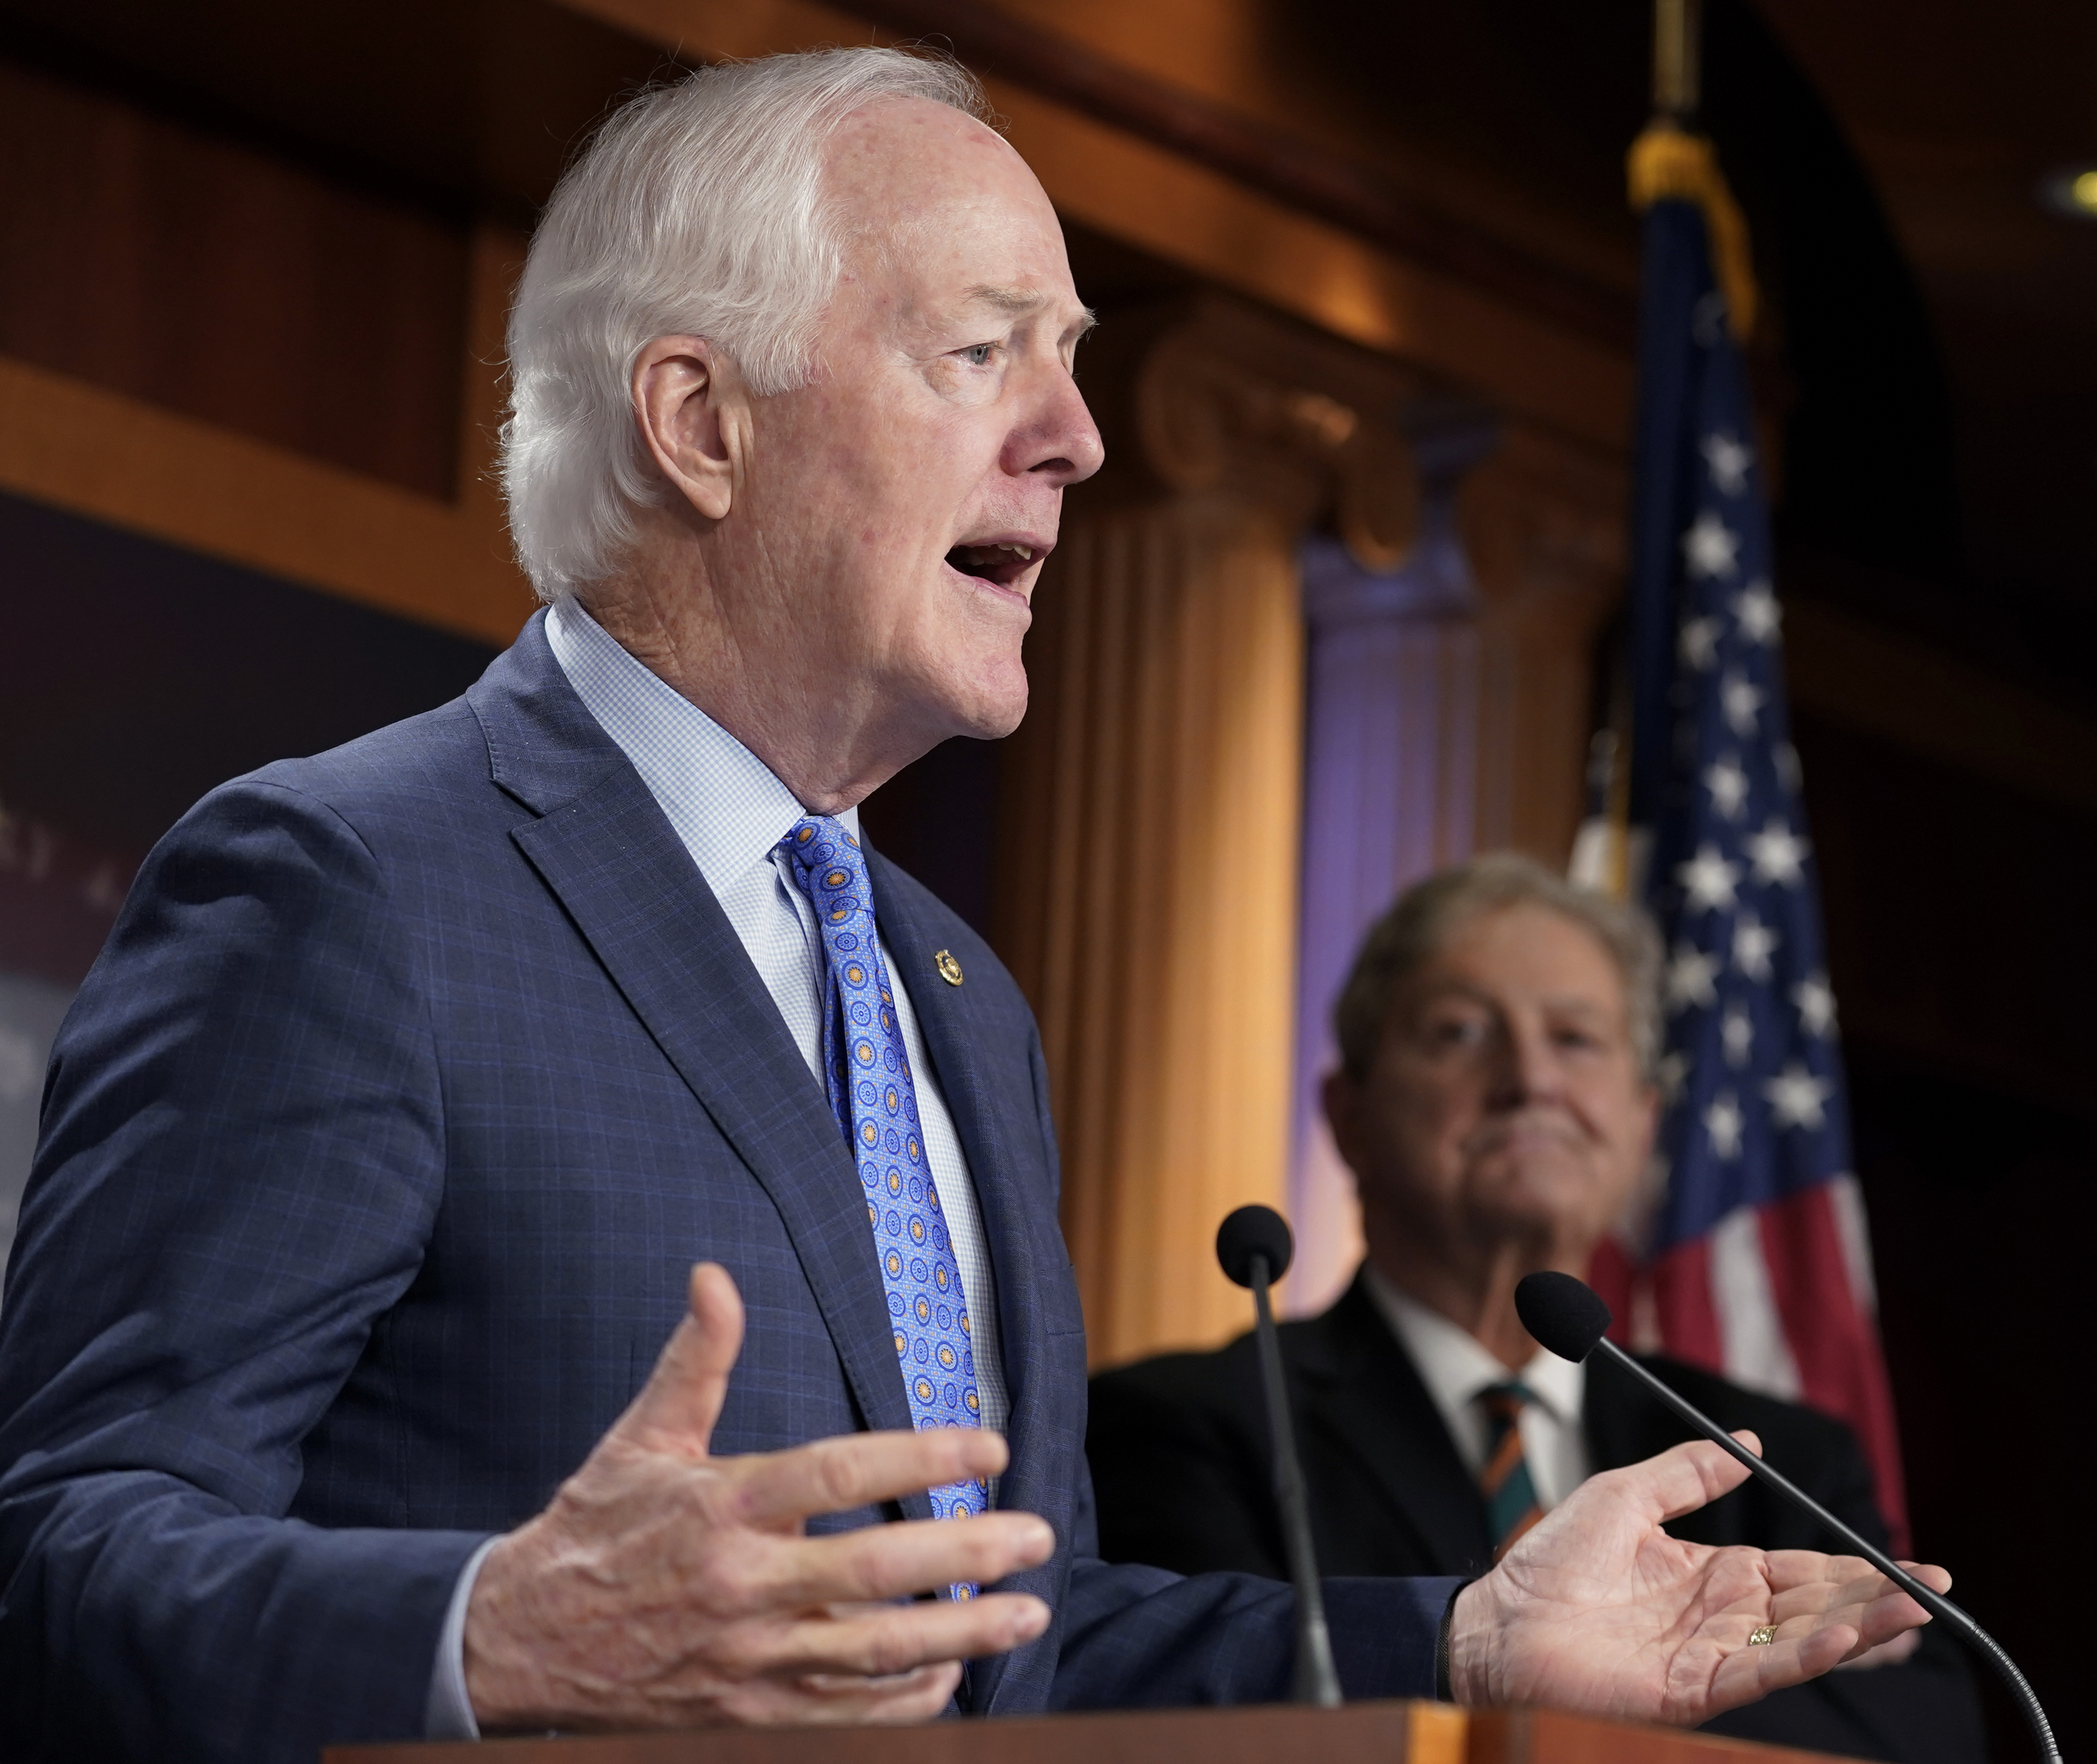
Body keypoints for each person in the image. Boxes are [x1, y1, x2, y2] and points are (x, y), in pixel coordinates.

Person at [0, 47, 1945, 1764]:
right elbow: (59, 1558)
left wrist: (1456, 1637)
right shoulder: (350, 886)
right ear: (700, 422)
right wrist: (490, 1632)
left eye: (1073, 359)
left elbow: (1005, 1650)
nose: (1076, 437)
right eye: (980, 351)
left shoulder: (952, 995)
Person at [1089, 855, 1987, 1763]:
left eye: (1575, 1038)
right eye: (1461, 1032)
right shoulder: (1191, 1428)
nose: (1529, 1078)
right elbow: (1203, 1707)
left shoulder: (1776, 1456)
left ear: (1641, 1123)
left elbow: (1930, 1723)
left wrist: (1739, 1649)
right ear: (1347, 1113)